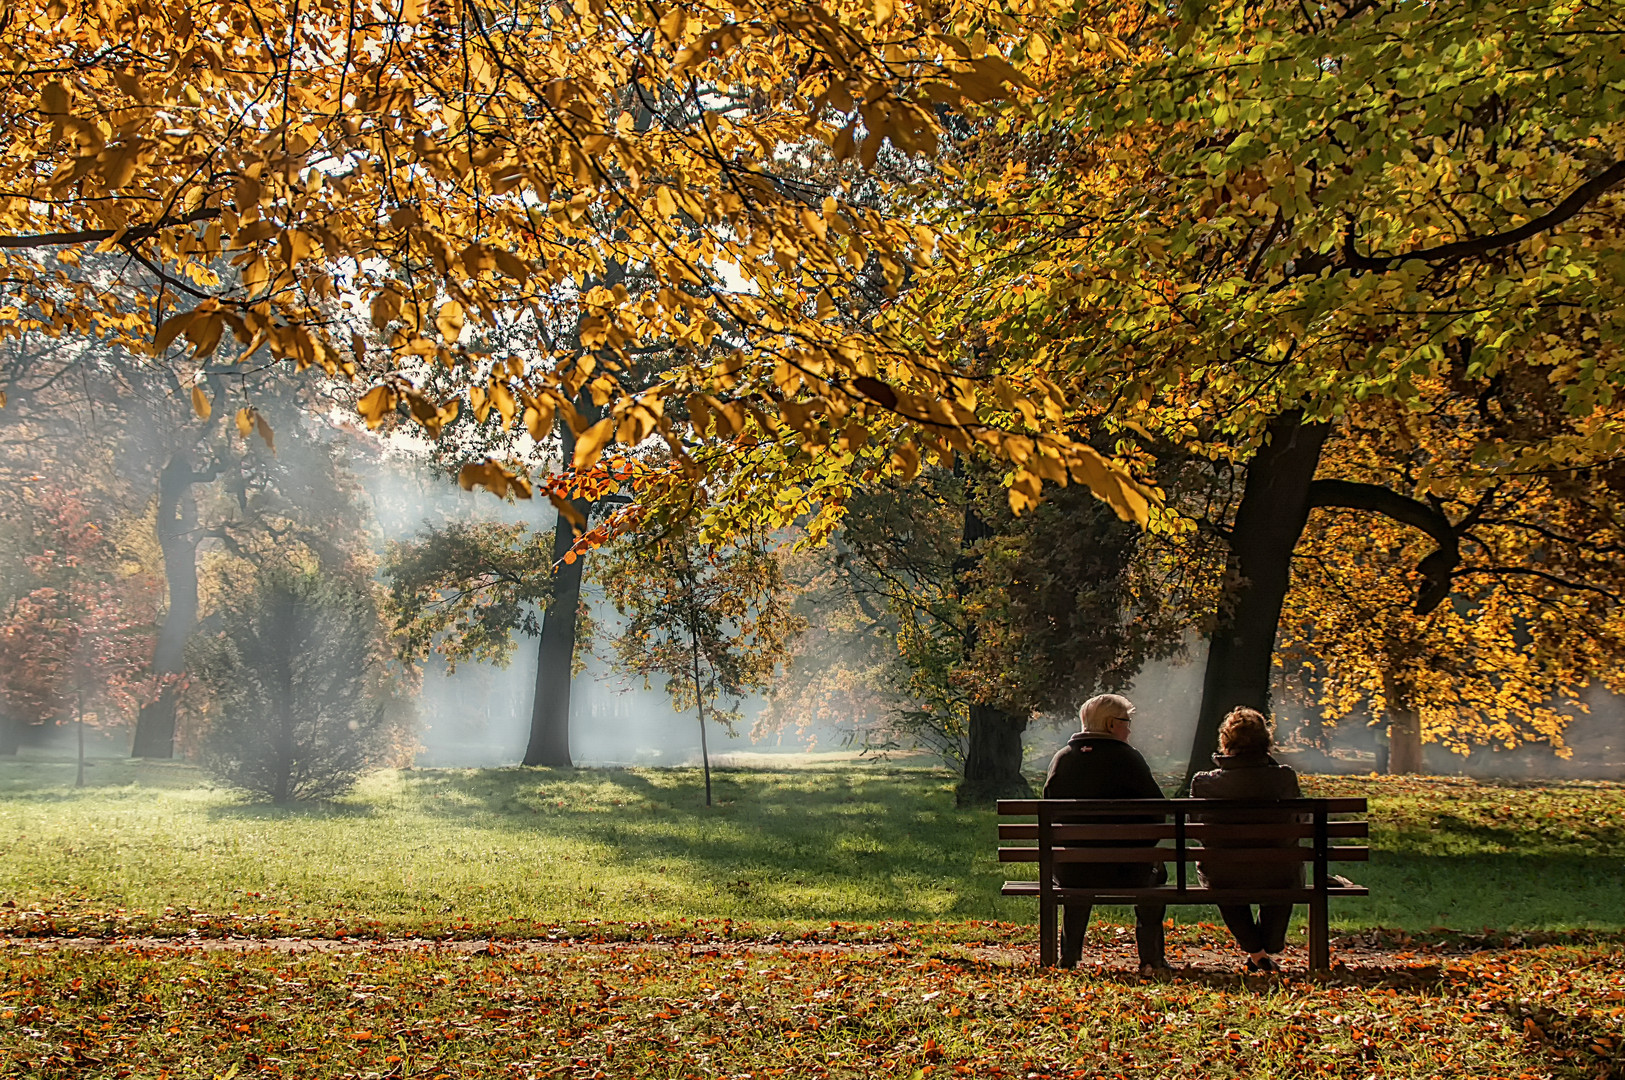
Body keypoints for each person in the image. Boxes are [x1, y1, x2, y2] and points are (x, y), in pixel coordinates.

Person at [1043, 693, 1170, 973]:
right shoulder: (1130, 760)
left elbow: (1051, 813)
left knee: (1078, 874)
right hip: (1129, 871)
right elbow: (1158, 814)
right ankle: (1152, 957)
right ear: (1112, 725)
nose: (1130, 728)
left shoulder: (1062, 760)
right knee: (1156, 875)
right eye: (1127, 721)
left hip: (1072, 871)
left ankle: (1070, 956)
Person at [1189, 706, 1303, 973]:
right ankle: (1267, 946)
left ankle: (1257, 950)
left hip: (1224, 873)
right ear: (1266, 742)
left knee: (1222, 874)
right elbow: (1300, 824)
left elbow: (1195, 830)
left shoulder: (1205, 782)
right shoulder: (1283, 778)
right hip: (1278, 872)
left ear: (1226, 742)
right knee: (1282, 866)